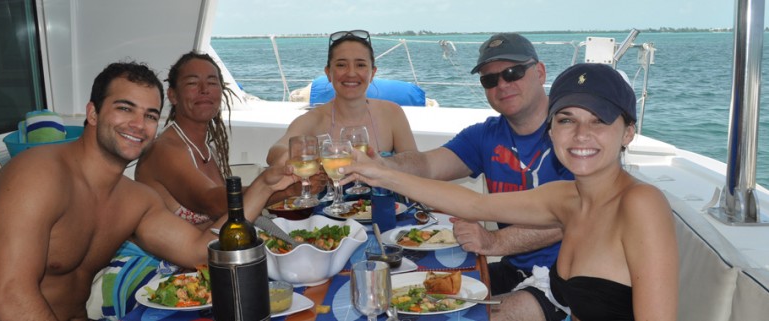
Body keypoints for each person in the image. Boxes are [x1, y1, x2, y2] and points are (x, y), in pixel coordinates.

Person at [0, 61, 296, 321]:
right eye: (125, 108)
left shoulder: (133, 199)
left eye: (150, 115)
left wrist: (265, 187)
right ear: (93, 113)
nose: (138, 124)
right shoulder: (37, 175)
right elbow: (7, 299)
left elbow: (199, 250)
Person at [346, 63, 678, 320]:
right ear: (552, 130)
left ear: (628, 133)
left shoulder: (641, 203)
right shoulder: (567, 197)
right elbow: (475, 205)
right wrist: (381, 174)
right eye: (566, 120)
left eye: (598, 121)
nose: (580, 134)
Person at [90, 52, 303, 319]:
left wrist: (271, 188)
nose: (204, 90)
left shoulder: (202, 151)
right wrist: (281, 190)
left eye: (212, 82)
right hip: (160, 276)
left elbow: (199, 243)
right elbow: (213, 202)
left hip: (195, 262)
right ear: (173, 95)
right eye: (192, 82)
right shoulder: (163, 150)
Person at [377, 33, 571, 320]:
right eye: (489, 80)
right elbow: (428, 165)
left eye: (512, 72)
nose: (502, 85)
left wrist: (492, 242)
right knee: (412, 296)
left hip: (566, 279)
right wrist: (380, 166)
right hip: (514, 268)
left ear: (540, 72)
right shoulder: (486, 135)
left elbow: (569, 218)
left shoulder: (572, 131)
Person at [266, 30, 418, 166]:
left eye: (360, 65)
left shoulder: (392, 113)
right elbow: (274, 153)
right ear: (328, 73)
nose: (351, 73)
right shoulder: (313, 119)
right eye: (341, 65)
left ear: (372, 73)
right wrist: (313, 156)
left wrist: (383, 163)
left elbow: (415, 162)